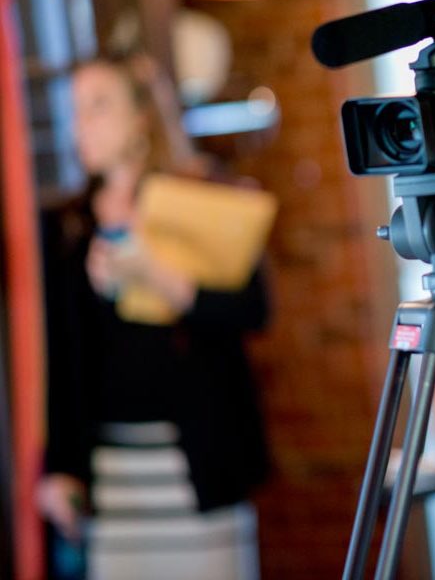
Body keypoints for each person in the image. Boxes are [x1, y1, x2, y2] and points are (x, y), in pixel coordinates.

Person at [36, 53, 271, 580]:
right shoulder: (67, 226)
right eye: (75, 110)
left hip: (197, 465)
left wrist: (160, 277)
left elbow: (253, 312)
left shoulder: (202, 194)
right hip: (113, 475)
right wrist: (57, 466)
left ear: (141, 115)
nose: (83, 125)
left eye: (99, 106)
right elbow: (58, 360)